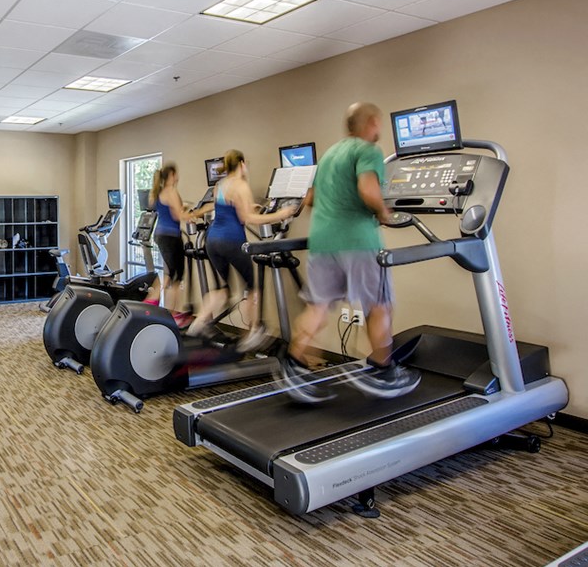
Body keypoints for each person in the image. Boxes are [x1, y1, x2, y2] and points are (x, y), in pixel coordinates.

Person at [282, 102, 420, 402]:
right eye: (378, 124)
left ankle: (293, 367)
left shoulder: (331, 153)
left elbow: (310, 199)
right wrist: (383, 212)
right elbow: (368, 190)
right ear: (371, 122)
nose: (379, 130)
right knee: (378, 305)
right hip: (359, 242)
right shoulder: (368, 151)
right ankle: (382, 370)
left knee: (318, 306)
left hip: (322, 241)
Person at [186, 150, 296, 353]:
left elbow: (231, 209)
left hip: (212, 241)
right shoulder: (241, 185)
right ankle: (253, 333)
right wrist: (281, 214)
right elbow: (247, 219)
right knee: (252, 288)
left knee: (222, 288)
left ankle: (198, 323)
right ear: (242, 164)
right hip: (232, 241)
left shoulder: (220, 185)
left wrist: (250, 207)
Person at [148, 163, 196, 328]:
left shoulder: (158, 192)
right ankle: (172, 314)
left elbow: (165, 211)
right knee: (177, 276)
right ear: (172, 175)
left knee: (168, 273)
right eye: (177, 174)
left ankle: (151, 302)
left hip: (160, 234)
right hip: (170, 236)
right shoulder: (171, 191)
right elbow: (178, 215)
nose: (178, 177)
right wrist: (194, 214)